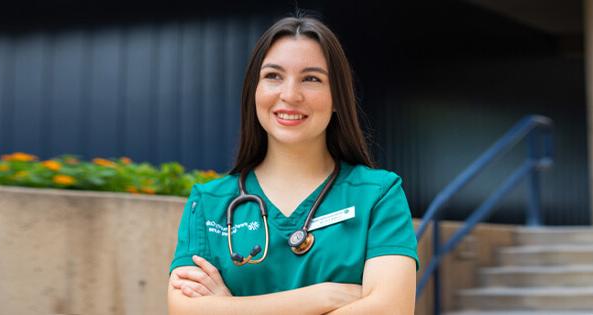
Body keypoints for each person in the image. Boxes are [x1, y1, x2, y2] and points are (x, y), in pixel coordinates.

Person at [166, 15, 419, 314]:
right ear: (254, 91)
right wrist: (322, 297)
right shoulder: (209, 204)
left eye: (311, 79)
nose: (289, 95)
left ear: (338, 96)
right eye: (273, 76)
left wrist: (228, 307)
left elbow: (390, 310)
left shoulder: (378, 195)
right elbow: (184, 310)